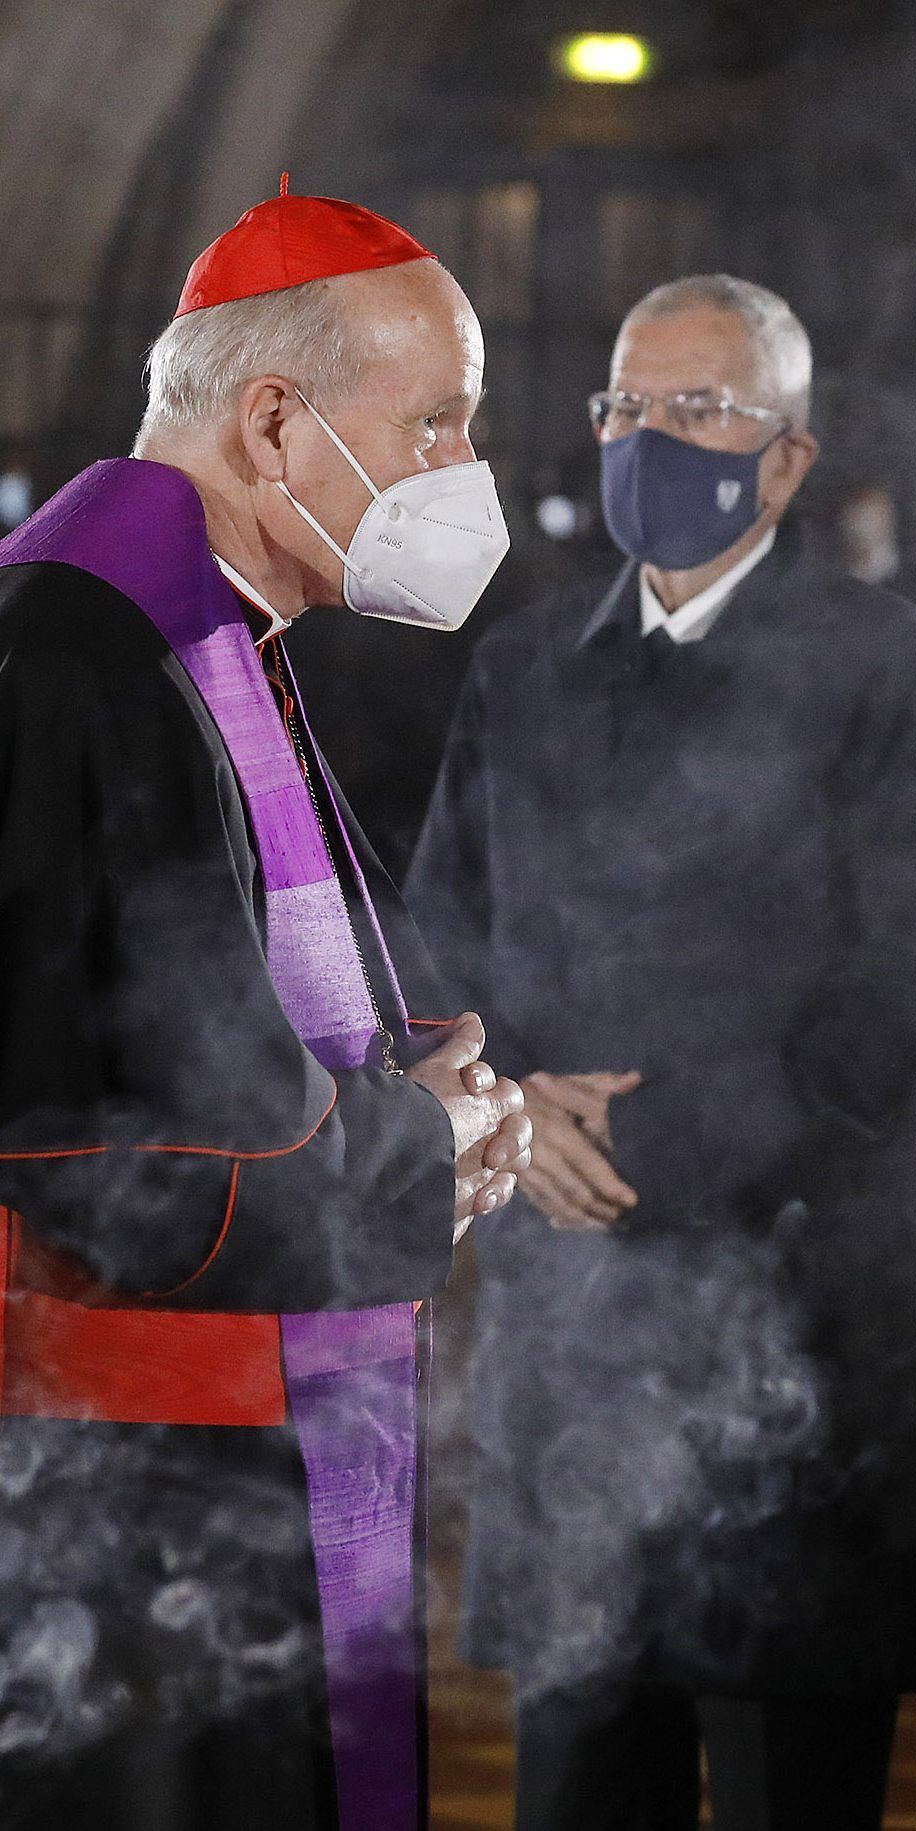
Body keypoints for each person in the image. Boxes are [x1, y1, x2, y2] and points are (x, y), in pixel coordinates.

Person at [408, 273, 916, 1831]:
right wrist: (510, 1112)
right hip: (572, 1324)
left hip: (795, 1312)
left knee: (790, 1772)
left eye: (698, 409)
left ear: (788, 459)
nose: (648, 437)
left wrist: (663, 1139)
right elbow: (439, 948)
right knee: (579, 1780)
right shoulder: (524, 666)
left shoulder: (890, 666)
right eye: (626, 405)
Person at [0, 182, 533, 1831]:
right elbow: (104, 1141)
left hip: (219, 1445)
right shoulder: (82, 654)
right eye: (435, 421)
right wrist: (418, 1153)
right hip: (124, 1486)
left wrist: (417, 1083)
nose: (463, 468)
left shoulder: (212, 624)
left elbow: (219, 1005)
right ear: (277, 422)